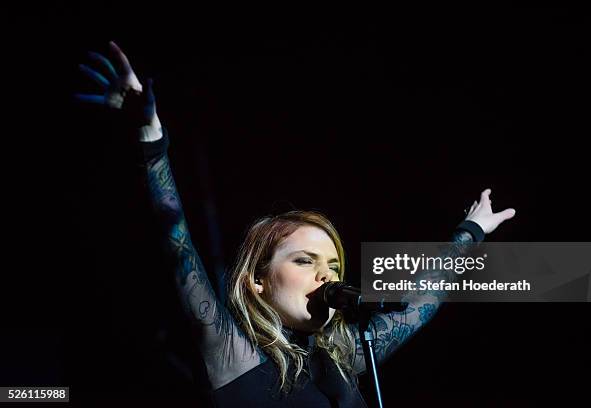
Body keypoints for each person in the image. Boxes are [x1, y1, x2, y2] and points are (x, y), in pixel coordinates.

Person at [75, 41, 516, 407]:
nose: (327, 275)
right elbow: (177, 244)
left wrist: (470, 232)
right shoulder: (232, 355)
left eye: (334, 266)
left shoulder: (346, 357)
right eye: (305, 260)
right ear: (257, 280)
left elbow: (421, 302)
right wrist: (151, 140)